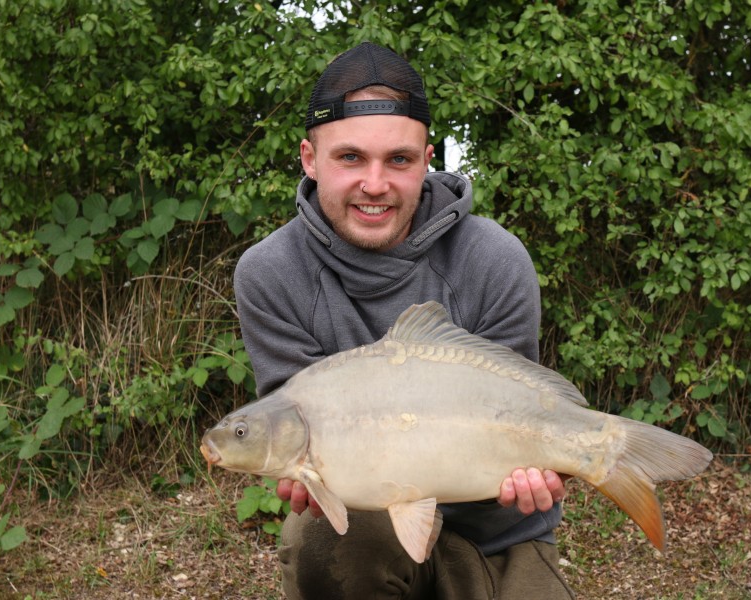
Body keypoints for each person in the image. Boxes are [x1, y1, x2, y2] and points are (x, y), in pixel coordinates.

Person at [234, 41, 574, 599]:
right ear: (308, 158)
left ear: (427, 159)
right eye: (349, 158)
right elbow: (293, 426)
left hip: (499, 534)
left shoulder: (495, 258)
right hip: (366, 532)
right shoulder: (270, 272)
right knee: (316, 537)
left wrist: (548, 465)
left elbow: (520, 410)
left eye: (398, 159)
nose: (375, 184)